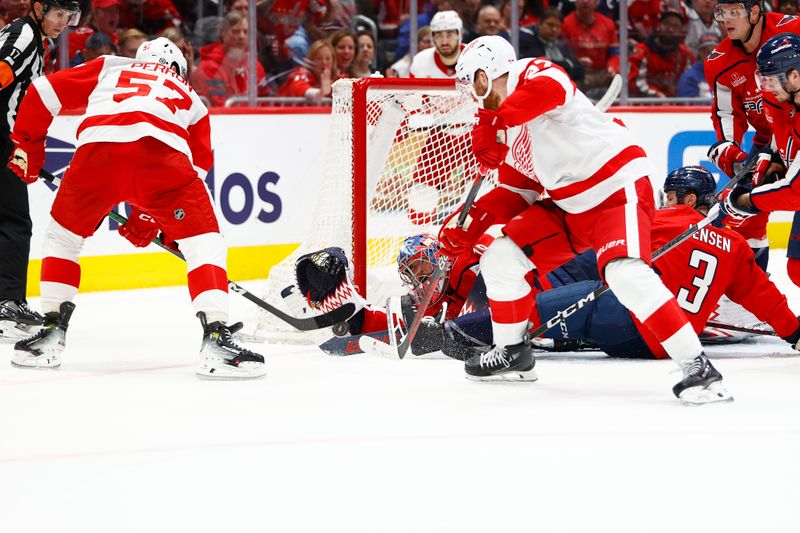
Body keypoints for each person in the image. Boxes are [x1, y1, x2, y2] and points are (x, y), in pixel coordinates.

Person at [449, 35, 730, 403]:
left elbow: (551, 87)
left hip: (616, 188)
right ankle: (514, 354)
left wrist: (495, 121)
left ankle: (698, 367)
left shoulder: (529, 73)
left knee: (624, 273)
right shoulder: (510, 129)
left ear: (486, 74)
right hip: (571, 207)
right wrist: (468, 223)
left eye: (472, 82)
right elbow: (520, 191)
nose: (471, 94)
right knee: (500, 258)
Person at [7, 37, 266, 378]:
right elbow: (196, 167)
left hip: (95, 156)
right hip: (163, 158)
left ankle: (51, 334)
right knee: (204, 242)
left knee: (63, 238)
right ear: (177, 69)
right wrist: (148, 216)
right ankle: (216, 337)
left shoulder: (111, 66)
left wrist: (29, 149)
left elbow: (41, 91)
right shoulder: (191, 96)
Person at [418, 166, 800, 360]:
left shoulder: (667, 221)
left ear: (687, 201)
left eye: (671, 197)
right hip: (673, 342)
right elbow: (763, 297)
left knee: (553, 300)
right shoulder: (733, 245)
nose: (666, 203)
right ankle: (566, 331)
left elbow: (596, 239)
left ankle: (452, 333)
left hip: (633, 324)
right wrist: (795, 332)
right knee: (601, 286)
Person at [0, 0, 78, 341]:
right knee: (14, 221)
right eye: (58, 14)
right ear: (39, 8)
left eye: (69, 16)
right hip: (3, 139)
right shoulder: (24, 34)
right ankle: (7, 301)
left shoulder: (30, 35)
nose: (63, 22)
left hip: (9, 140)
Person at [704, 0, 800, 271]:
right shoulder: (720, 62)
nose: (727, 20)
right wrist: (730, 151)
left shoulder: (793, 29)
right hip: (771, 138)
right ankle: (753, 283)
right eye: (723, 13)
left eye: (735, 12)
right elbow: (726, 116)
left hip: (795, 127)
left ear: (755, 12)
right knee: (747, 217)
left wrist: (745, 199)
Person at [191, 10, 269, 107]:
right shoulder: (209, 69)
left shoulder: (255, 66)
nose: (242, 36)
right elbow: (219, 106)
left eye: (246, 32)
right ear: (223, 33)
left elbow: (265, 101)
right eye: (236, 31)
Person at [628, 10, 695, 98]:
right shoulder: (642, 51)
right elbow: (633, 83)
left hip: (676, 105)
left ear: (681, 30)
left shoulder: (685, 54)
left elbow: (690, 81)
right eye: (667, 24)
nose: (671, 30)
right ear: (659, 26)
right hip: (646, 105)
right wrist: (656, 95)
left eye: (676, 26)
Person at [560, 0, 619, 97]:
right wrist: (576, 62)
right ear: (575, 2)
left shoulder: (608, 24)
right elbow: (561, 55)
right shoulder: (565, 24)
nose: (585, 1)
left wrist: (612, 66)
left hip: (603, 74)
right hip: (577, 76)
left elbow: (614, 53)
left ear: (596, 2)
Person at [519, 7, 584, 83]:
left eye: (558, 26)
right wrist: (567, 65)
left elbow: (579, 70)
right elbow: (542, 66)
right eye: (550, 25)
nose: (554, 30)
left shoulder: (562, 43)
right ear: (540, 24)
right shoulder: (529, 41)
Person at [409, 10, 464, 78]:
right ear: (432, 37)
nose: (444, 42)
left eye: (449, 35)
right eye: (438, 36)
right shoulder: (420, 61)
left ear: (460, 35)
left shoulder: (475, 57)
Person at [68, 0, 119, 66]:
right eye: (110, 10)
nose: (115, 15)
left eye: (116, 11)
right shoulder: (79, 37)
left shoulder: (113, 36)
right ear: (95, 13)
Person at [677, 32, 720, 98]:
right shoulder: (689, 77)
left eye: (716, 53)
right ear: (700, 52)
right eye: (708, 52)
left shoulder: (727, 74)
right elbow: (688, 105)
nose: (712, 56)